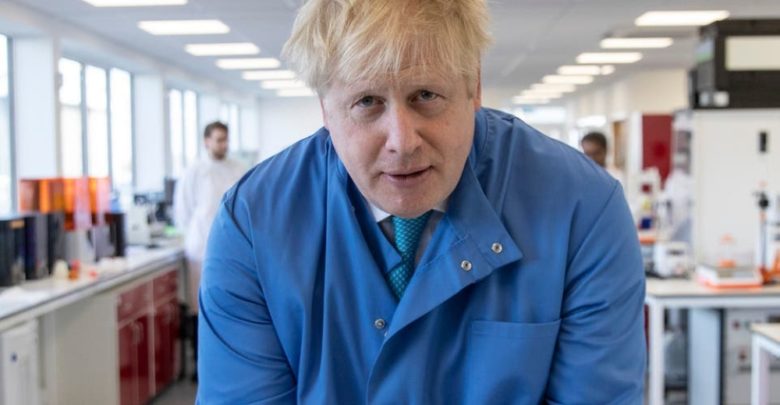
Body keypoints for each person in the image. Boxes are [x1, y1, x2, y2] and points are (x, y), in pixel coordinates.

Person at [197, 0, 646, 403]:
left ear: (474, 85)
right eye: (367, 102)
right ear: (325, 107)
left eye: (426, 96)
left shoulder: (582, 210)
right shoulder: (254, 223)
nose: (402, 141)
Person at [173, 121, 245, 379]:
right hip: (200, 250)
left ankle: (231, 364)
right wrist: (198, 234)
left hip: (233, 250)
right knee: (200, 308)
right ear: (206, 141)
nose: (223, 144)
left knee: (232, 305)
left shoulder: (237, 168)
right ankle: (200, 365)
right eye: (218, 140)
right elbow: (183, 211)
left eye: (226, 139)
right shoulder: (194, 171)